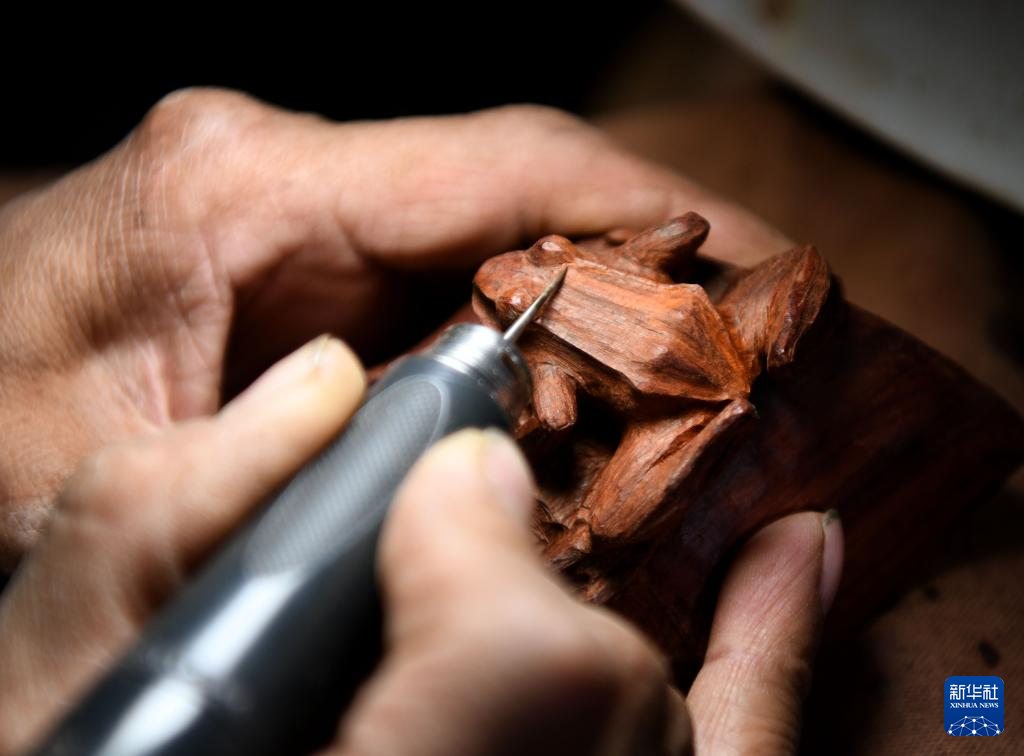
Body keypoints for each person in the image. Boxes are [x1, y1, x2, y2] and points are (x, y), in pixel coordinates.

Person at [0, 89, 842, 755]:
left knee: (606, 529)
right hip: (686, 326)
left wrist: (526, 434)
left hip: (680, 404)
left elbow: (553, 416)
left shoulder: (557, 353)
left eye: (547, 258)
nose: (528, 269)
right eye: (540, 259)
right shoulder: (625, 265)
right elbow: (687, 228)